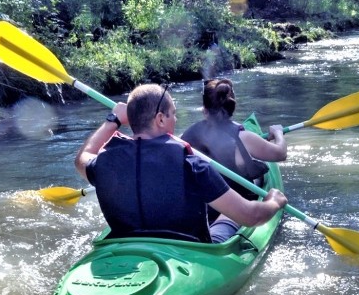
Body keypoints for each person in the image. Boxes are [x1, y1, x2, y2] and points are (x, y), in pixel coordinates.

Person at [74, 83, 287, 243]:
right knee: (226, 214)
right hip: (191, 250)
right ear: (160, 119)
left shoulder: (106, 161)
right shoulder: (193, 166)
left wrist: (113, 120)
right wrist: (273, 201)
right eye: (173, 114)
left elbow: (82, 158)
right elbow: (251, 216)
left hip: (127, 243)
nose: (175, 120)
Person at [181, 78, 287, 201]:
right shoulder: (244, 137)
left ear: (204, 110)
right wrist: (278, 132)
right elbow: (281, 153)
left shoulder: (187, 135)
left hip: (203, 204)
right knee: (259, 173)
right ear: (232, 107)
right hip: (238, 206)